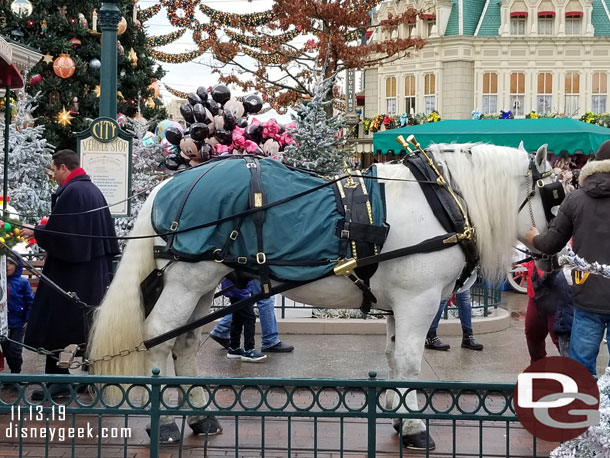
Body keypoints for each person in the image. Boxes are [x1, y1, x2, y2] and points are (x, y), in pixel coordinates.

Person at [21, 150, 120, 398]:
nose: (53, 175)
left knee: (57, 325)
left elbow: (65, 237)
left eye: (53, 169)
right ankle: (82, 379)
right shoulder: (90, 189)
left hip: (70, 274)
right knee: (81, 327)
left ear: (63, 167)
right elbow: (72, 230)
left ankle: (58, 383)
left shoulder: (73, 192)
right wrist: (44, 229)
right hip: (89, 272)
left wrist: (37, 231)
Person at [526, 140, 610, 377]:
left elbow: (551, 244)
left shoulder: (577, 199)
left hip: (587, 298)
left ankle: (584, 411)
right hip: (588, 299)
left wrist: (534, 238)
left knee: (582, 371)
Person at [210, 279, 294, 353]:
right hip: (254, 267)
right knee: (265, 298)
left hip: (246, 268)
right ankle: (268, 341)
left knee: (245, 305)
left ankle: (221, 331)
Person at [1, 255, 34, 377]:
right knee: (6, 349)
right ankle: (12, 372)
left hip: (18, 321)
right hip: (3, 322)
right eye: (5, 263)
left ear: (17, 266)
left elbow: (30, 301)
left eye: (11, 263)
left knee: (15, 348)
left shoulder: (22, 282)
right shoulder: (1, 281)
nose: (7, 266)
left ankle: (16, 373)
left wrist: (28, 318)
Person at [220, 278, 267, 362]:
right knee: (250, 317)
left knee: (237, 317)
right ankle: (249, 350)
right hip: (239, 288)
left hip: (236, 288)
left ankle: (234, 348)